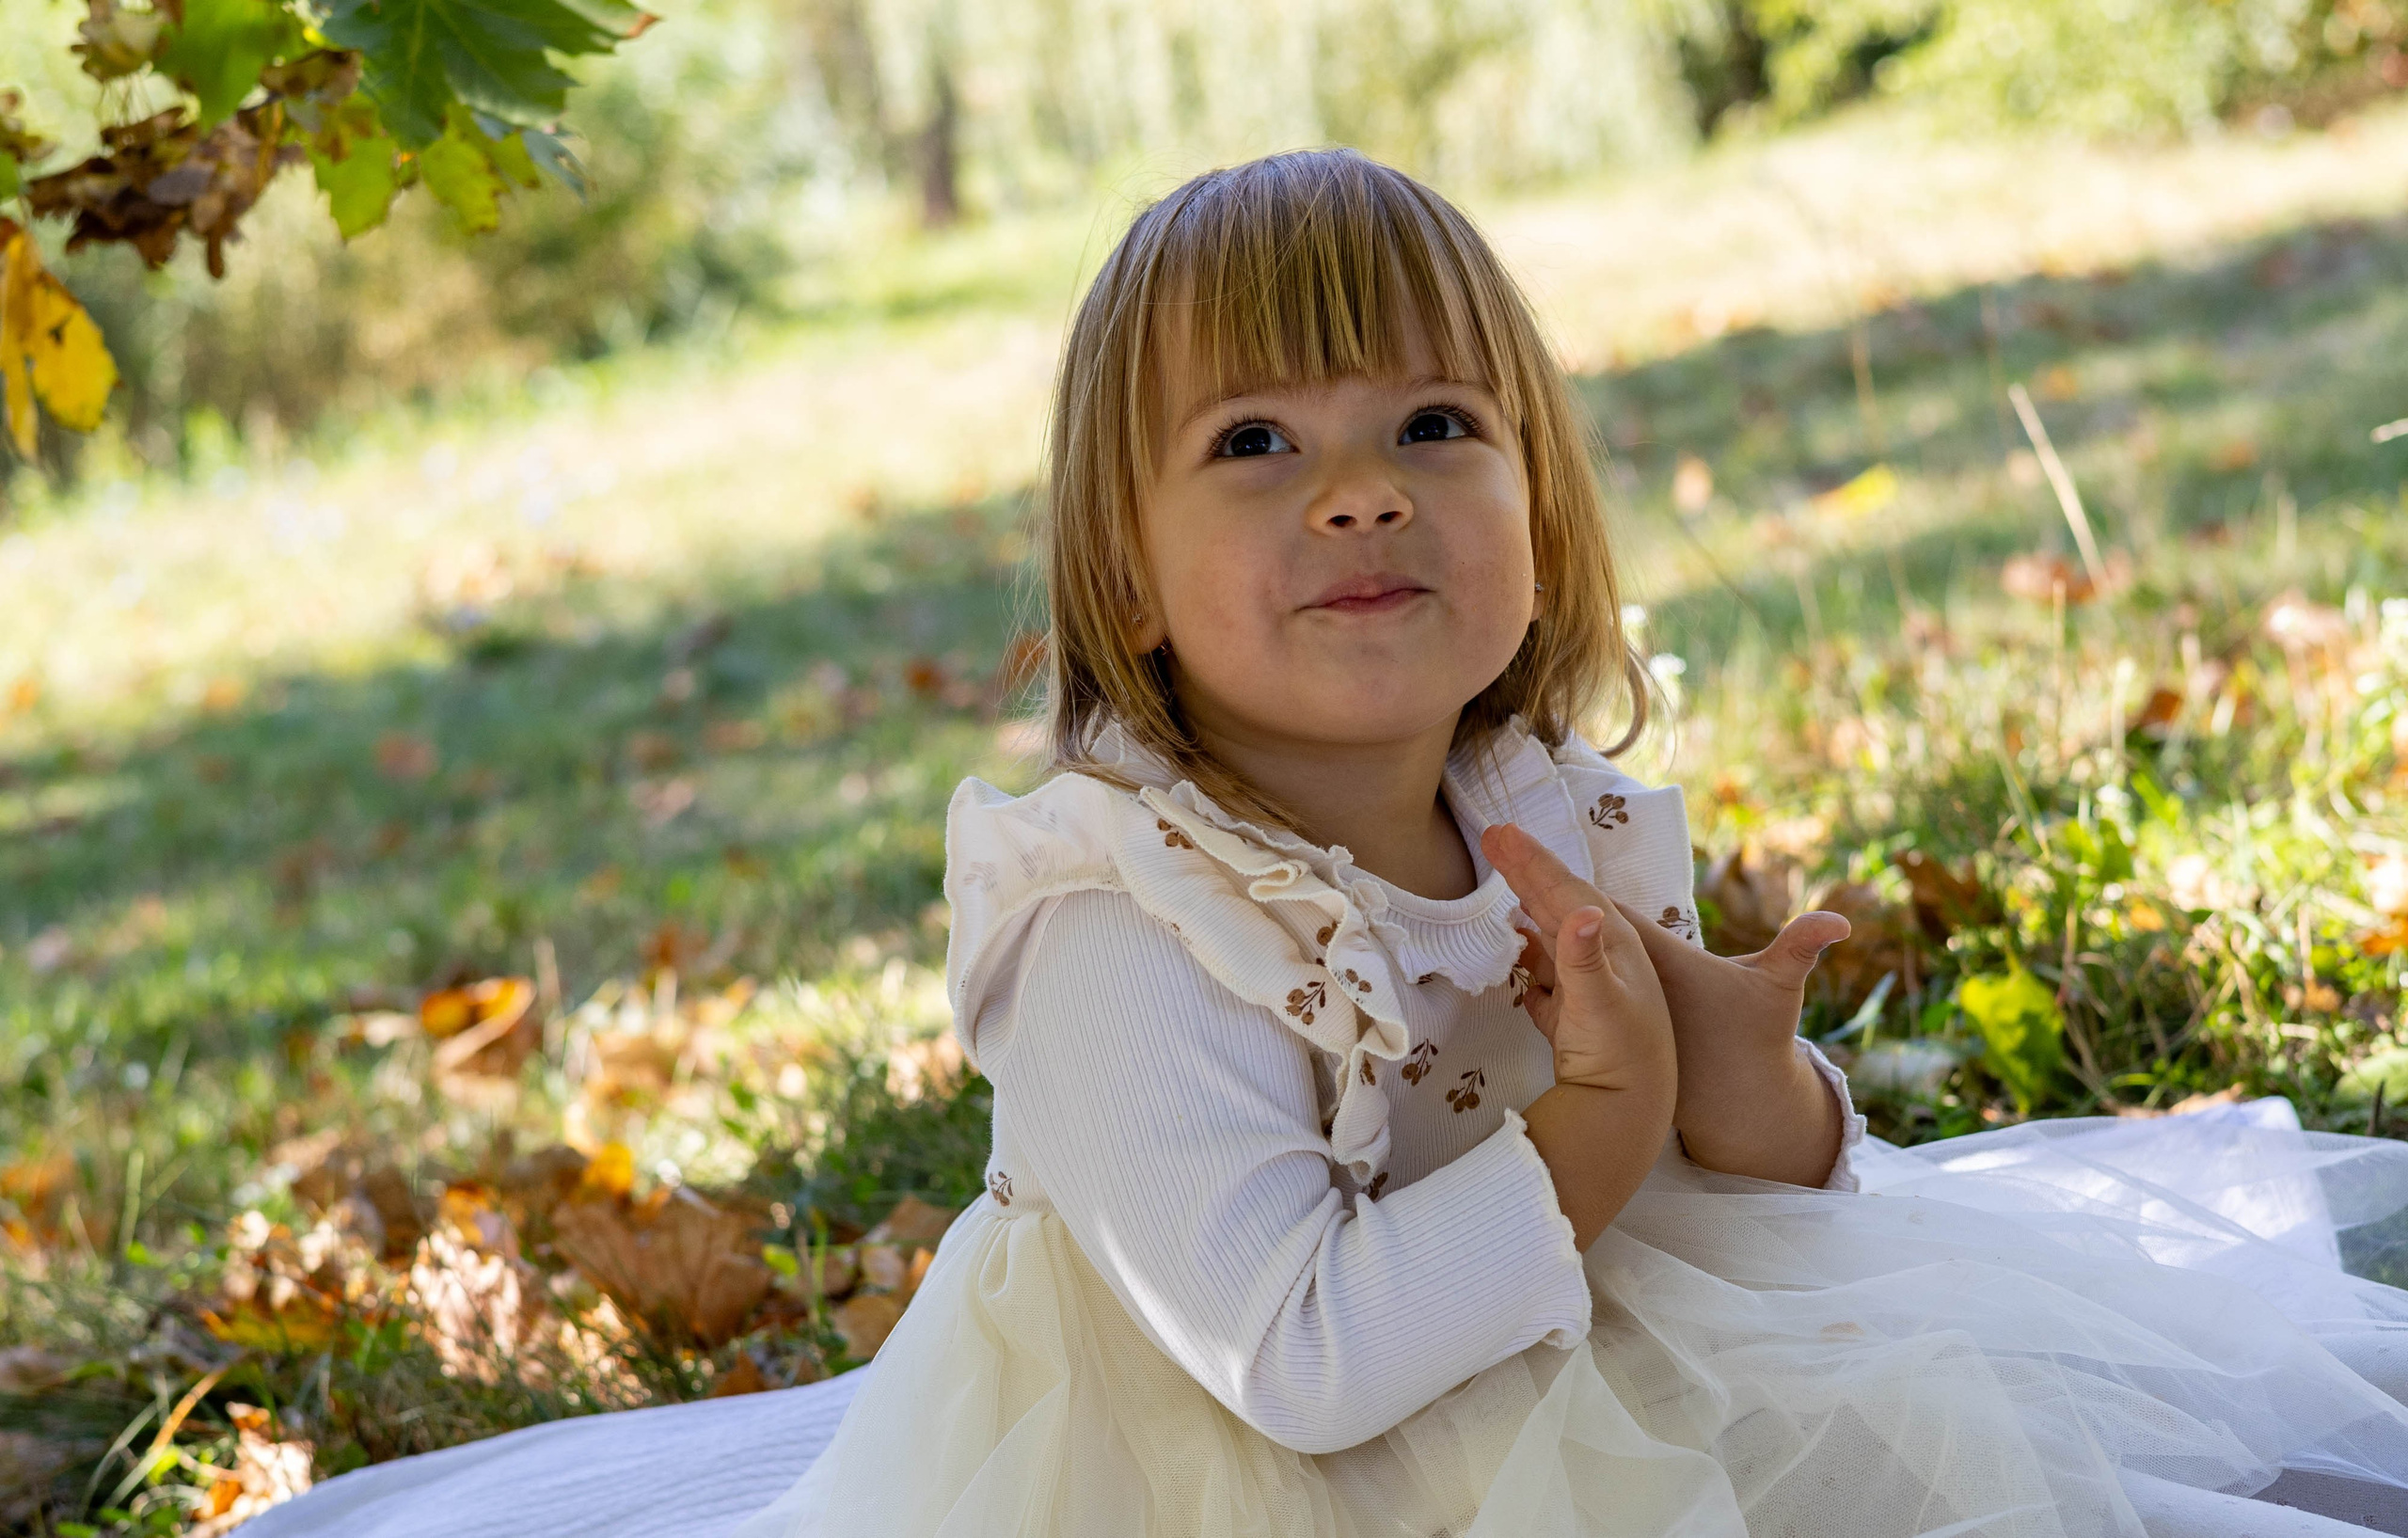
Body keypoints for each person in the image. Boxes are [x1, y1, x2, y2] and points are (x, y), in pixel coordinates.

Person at [248, 149, 2408, 1538]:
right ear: (1123, 575)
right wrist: (1595, 1123)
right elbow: (1293, 1364)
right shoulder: (1121, 928)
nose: (1356, 491)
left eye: (1431, 429)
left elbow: (1722, 1182)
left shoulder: (1537, 809)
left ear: (1540, 519)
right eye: (1254, 443)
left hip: (1611, 1370)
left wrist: (1744, 1088)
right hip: (1241, 1476)